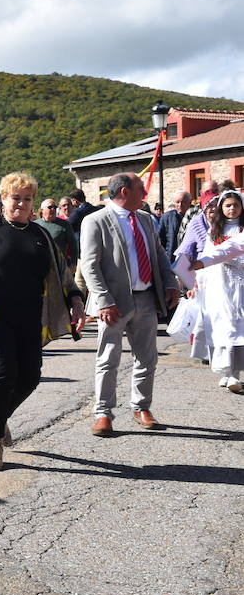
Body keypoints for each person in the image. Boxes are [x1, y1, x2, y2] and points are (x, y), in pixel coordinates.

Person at [0, 173, 84, 471]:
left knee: (30, 377)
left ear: (33, 202)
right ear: (3, 199)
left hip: (30, 316)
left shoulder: (41, 234)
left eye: (26, 198)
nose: (21, 204)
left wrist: (76, 301)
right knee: (2, 373)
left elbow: (62, 274)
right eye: (15, 198)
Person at [80, 172, 180, 436]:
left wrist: (170, 283)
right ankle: (103, 413)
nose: (145, 195)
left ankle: (141, 407)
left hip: (146, 298)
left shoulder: (146, 219)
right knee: (108, 359)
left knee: (147, 358)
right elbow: (90, 266)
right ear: (125, 191)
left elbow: (159, 256)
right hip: (112, 304)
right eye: (140, 190)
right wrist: (103, 301)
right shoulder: (95, 221)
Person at [188, 190, 244, 391]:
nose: (232, 209)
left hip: (240, 286)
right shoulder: (215, 231)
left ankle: (234, 373)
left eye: (236, 205)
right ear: (221, 208)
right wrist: (197, 283)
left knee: (238, 328)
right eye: (228, 205)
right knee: (223, 327)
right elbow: (211, 255)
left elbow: (231, 251)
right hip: (219, 286)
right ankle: (226, 371)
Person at [35, 197, 77, 264]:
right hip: (40, 264)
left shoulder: (65, 224)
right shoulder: (35, 225)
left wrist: (73, 263)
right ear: (42, 210)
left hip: (60, 264)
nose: (53, 209)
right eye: (50, 207)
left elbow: (73, 246)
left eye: (55, 207)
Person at [160, 189, 193, 260]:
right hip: (171, 258)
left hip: (190, 257)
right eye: (177, 202)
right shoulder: (167, 217)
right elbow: (161, 239)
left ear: (189, 203)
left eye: (183, 202)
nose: (180, 205)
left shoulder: (195, 216)